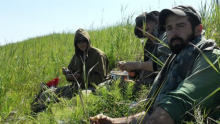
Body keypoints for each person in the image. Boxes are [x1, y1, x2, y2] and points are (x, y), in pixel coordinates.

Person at [90, 5, 220, 124]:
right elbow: (153, 113)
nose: (173, 32)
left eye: (180, 26)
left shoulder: (211, 57)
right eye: (169, 28)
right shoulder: (175, 60)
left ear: (198, 30)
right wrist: (114, 122)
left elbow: (178, 103)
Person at [31, 28, 109, 113]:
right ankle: (43, 111)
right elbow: (72, 75)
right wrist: (68, 74)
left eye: (84, 41)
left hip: (94, 87)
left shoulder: (98, 55)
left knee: (79, 99)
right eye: (79, 42)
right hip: (76, 87)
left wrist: (81, 77)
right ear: (76, 44)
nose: (81, 44)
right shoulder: (77, 56)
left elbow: (100, 78)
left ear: (88, 40)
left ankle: (60, 110)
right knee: (46, 94)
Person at [118, 11, 170, 94]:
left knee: (112, 86)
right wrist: (128, 69)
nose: (143, 26)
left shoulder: (165, 37)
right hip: (145, 85)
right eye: (140, 26)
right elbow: (138, 74)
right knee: (111, 84)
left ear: (156, 21)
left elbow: (163, 65)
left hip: (157, 88)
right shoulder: (149, 45)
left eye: (146, 22)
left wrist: (137, 65)